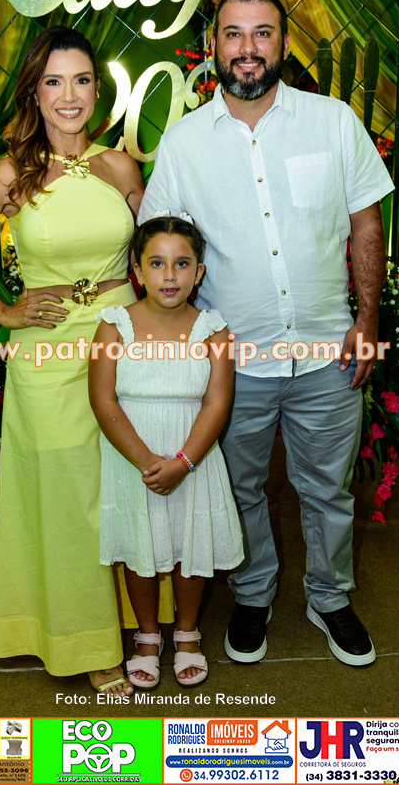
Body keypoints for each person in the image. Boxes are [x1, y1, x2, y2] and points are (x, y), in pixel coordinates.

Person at [138, 0, 395, 667]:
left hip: (329, 352)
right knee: (240, 489)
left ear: (283, 42)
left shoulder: (332, 122)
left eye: (261, 33)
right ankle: (252, 592)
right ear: (213, 45)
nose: (247, 48)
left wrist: (368, 318)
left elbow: (366, 222)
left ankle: (328, 595)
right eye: (233, 34)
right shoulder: (184, 143)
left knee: (328, 490)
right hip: (233, 362)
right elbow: (159, 244)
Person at [0, 25, 145, 697]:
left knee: (125, 486)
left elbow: (157, 254)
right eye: (53, 81)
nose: (68, 95)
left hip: (121, 343)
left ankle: (139, 622)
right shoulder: (12, 172)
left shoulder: (121, 168)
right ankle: (89, 642)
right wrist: (3, 310)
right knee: (69, 497)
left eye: (80, 80)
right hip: (48, 353)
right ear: (35, 93)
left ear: (97, 90)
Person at [89, 214, 244, 687]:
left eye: (182, 263)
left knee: (188, 546)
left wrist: (182, 462)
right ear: (137, 271)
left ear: (199, 272)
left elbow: (217, 402)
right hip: (133, 459)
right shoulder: (113, 326)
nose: (170, 275)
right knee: (141, 546)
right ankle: (148, 634)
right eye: (157, 263)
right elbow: (103, 400)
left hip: (191, 457)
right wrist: (147, 463)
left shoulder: (213, 330)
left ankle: (187, 632)